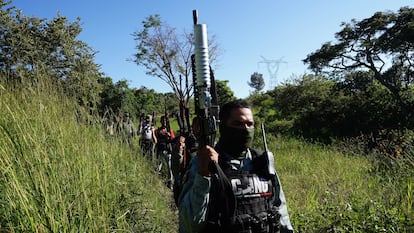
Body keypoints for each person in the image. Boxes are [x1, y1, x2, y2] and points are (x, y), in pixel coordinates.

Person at [177, 99, 294, 233]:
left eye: (249, 124)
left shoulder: (262, 161)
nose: (245, 129)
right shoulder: (203, 162)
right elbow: (189, 225)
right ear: (223, 127)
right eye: (237, 124)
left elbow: (280, 209)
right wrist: (204, 174)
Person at [155, 115, 175, 188]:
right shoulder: (158, 130)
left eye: (165, 121)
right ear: (161, 121)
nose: (164, 122)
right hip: (160, 150)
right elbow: (156, 139)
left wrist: (169, 136)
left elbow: (173, 140)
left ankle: (170, 182)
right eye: (163, 120)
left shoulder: (170, 130)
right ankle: (156, 180)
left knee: (169, 167)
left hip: (167, 150)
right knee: (158, 166)